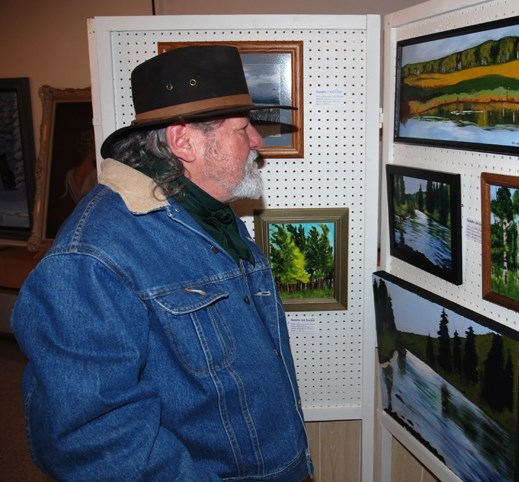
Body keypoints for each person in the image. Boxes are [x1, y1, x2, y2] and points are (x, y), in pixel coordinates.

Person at [11, 45, 313, 481]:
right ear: (183, 140)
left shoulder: (207, 212)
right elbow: (92, 441)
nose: (257, 142)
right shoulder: (89, 260)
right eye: (243, 128)